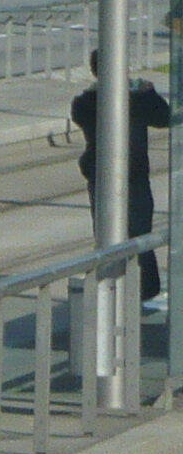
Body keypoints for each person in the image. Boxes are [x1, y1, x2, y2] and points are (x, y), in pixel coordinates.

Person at [72, 48, 173, 311]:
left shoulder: (83, 101)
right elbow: (164, 117)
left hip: (101, 177)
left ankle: (112, 287)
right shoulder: (136, 99)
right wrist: (146, 91)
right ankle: (144, 291)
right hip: (134, 176)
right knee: (140, 235)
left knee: (108, 235)